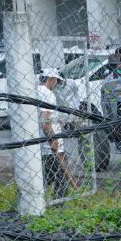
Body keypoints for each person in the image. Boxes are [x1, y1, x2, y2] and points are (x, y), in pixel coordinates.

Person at [36, 69, 71, 198]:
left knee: (45, 177)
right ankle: (58, 206)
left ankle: (36, 201)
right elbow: (45, 121)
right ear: (51, 79)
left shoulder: (34, 91)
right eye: (56, 80)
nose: (56, 84)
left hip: (40, 145)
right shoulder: (48, 94)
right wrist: (53, 140)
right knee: (61, 180)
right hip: (51, 146)